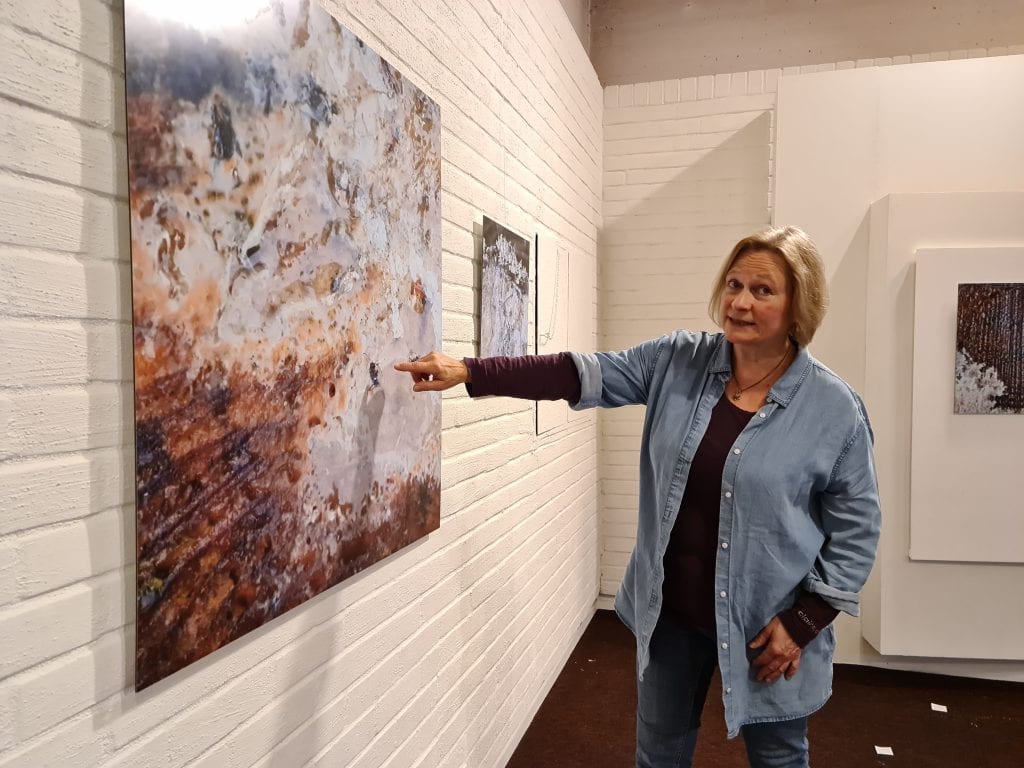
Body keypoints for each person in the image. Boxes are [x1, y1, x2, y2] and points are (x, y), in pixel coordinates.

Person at [395, 225, 881, 768]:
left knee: (779, 758)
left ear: (798, 305)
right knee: (658, 756)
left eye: (763, 291)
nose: (740, 302)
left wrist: (805, 622)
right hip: (670, 614)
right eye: (734, 284)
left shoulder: (833, 410)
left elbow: (857, 529)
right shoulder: (679, 360)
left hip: (768, 627)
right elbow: (580, 374)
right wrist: (470, 370)